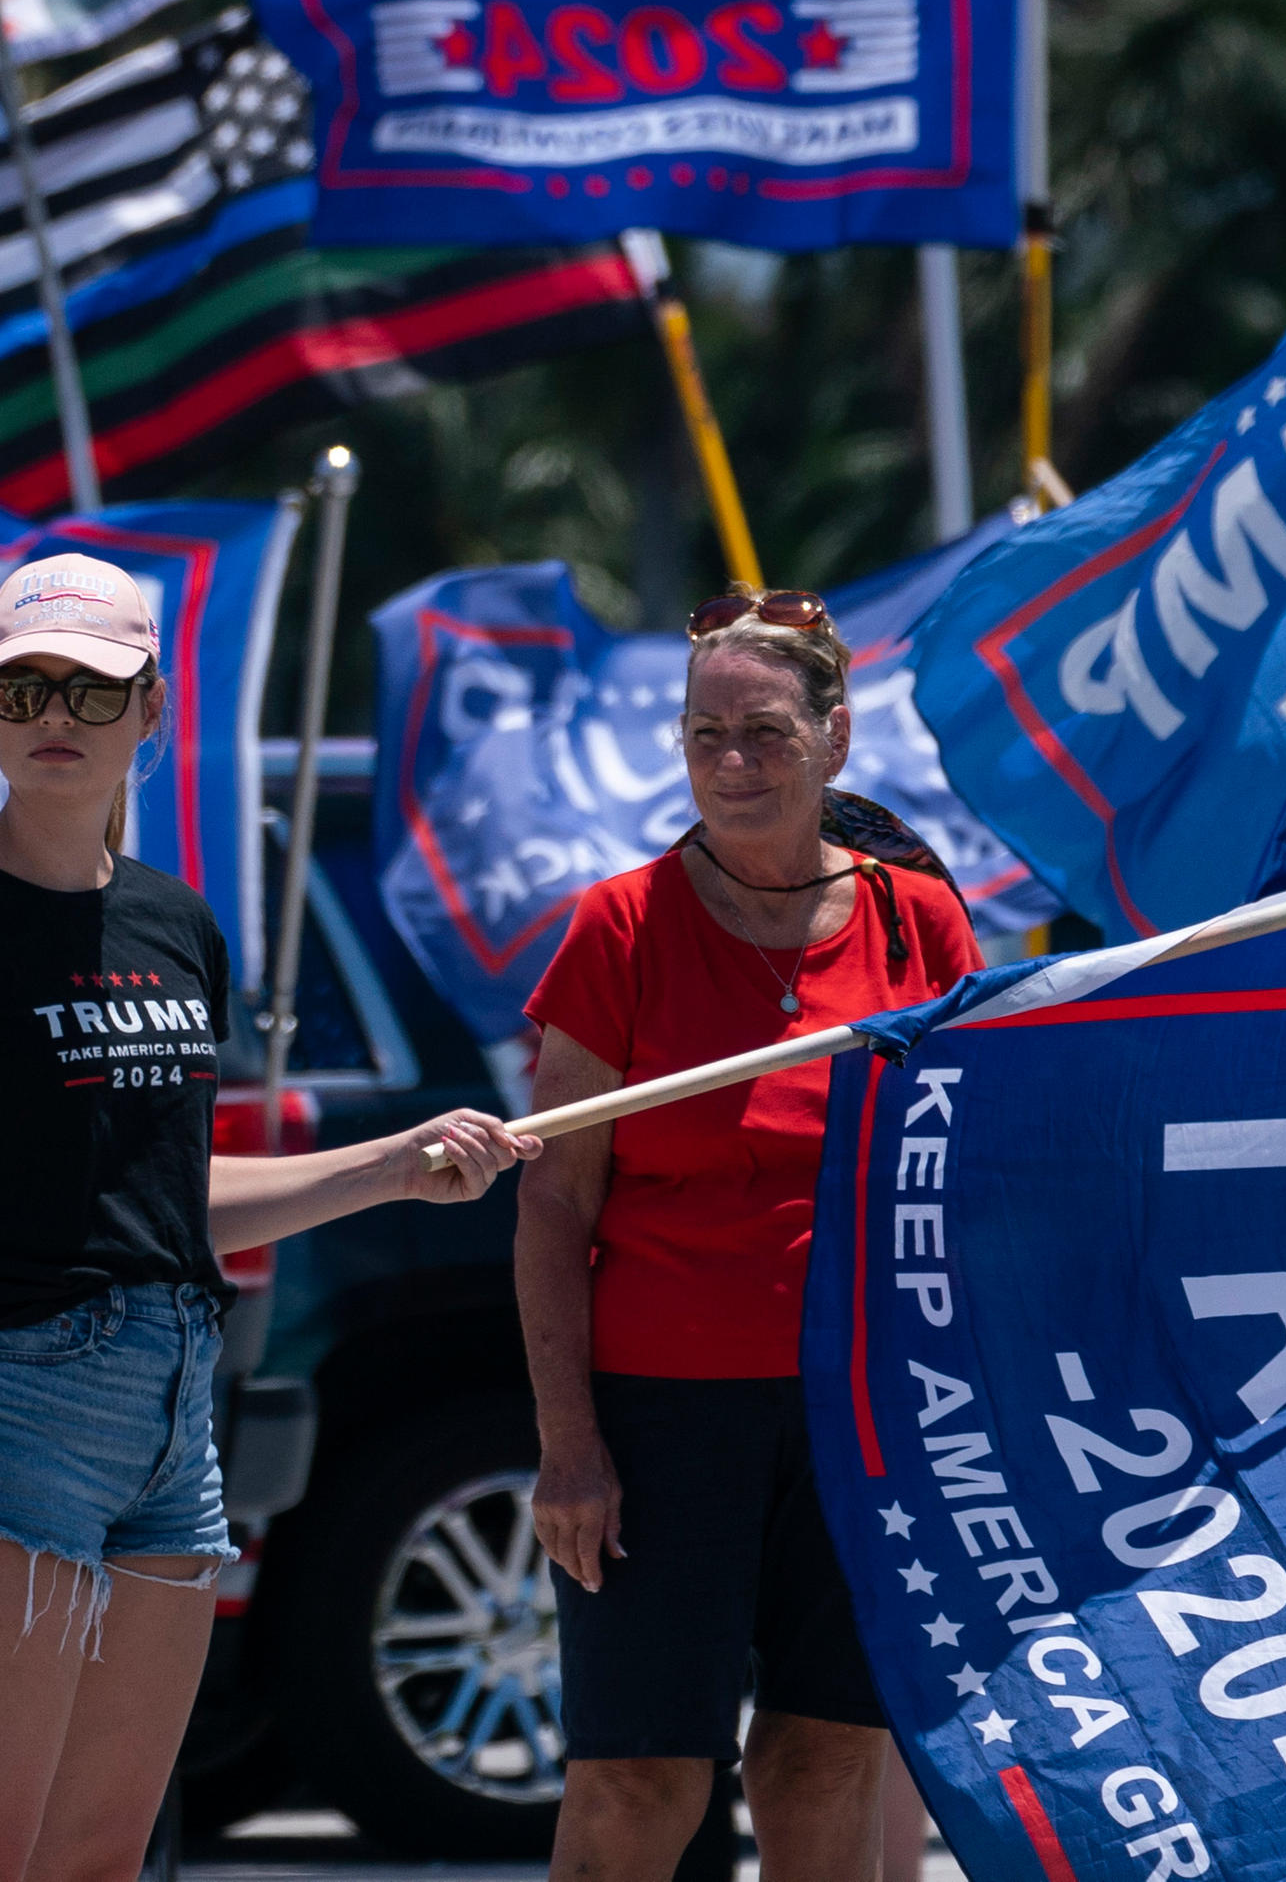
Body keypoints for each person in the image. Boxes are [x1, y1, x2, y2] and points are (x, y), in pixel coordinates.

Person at [0, 555, 532, 1882]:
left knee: (102, 1849)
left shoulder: (180, 925)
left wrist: (391, 1163)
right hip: (3, 1402)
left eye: (93, 691)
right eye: (23, 686)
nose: (57, 714)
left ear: (151, 712)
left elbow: (168, 1195)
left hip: (176, 1407)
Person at [514, 591, 981, 1882]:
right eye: (704, 732)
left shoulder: (915, 921)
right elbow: (553, 1203)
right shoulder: (620, 925)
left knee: (822, 1759)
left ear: (835, 739)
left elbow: (963, 1166)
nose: (731, 761)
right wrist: (569, 1447)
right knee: (635, 1778)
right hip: (659, 1414)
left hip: (862, 1412)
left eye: (765, 733)